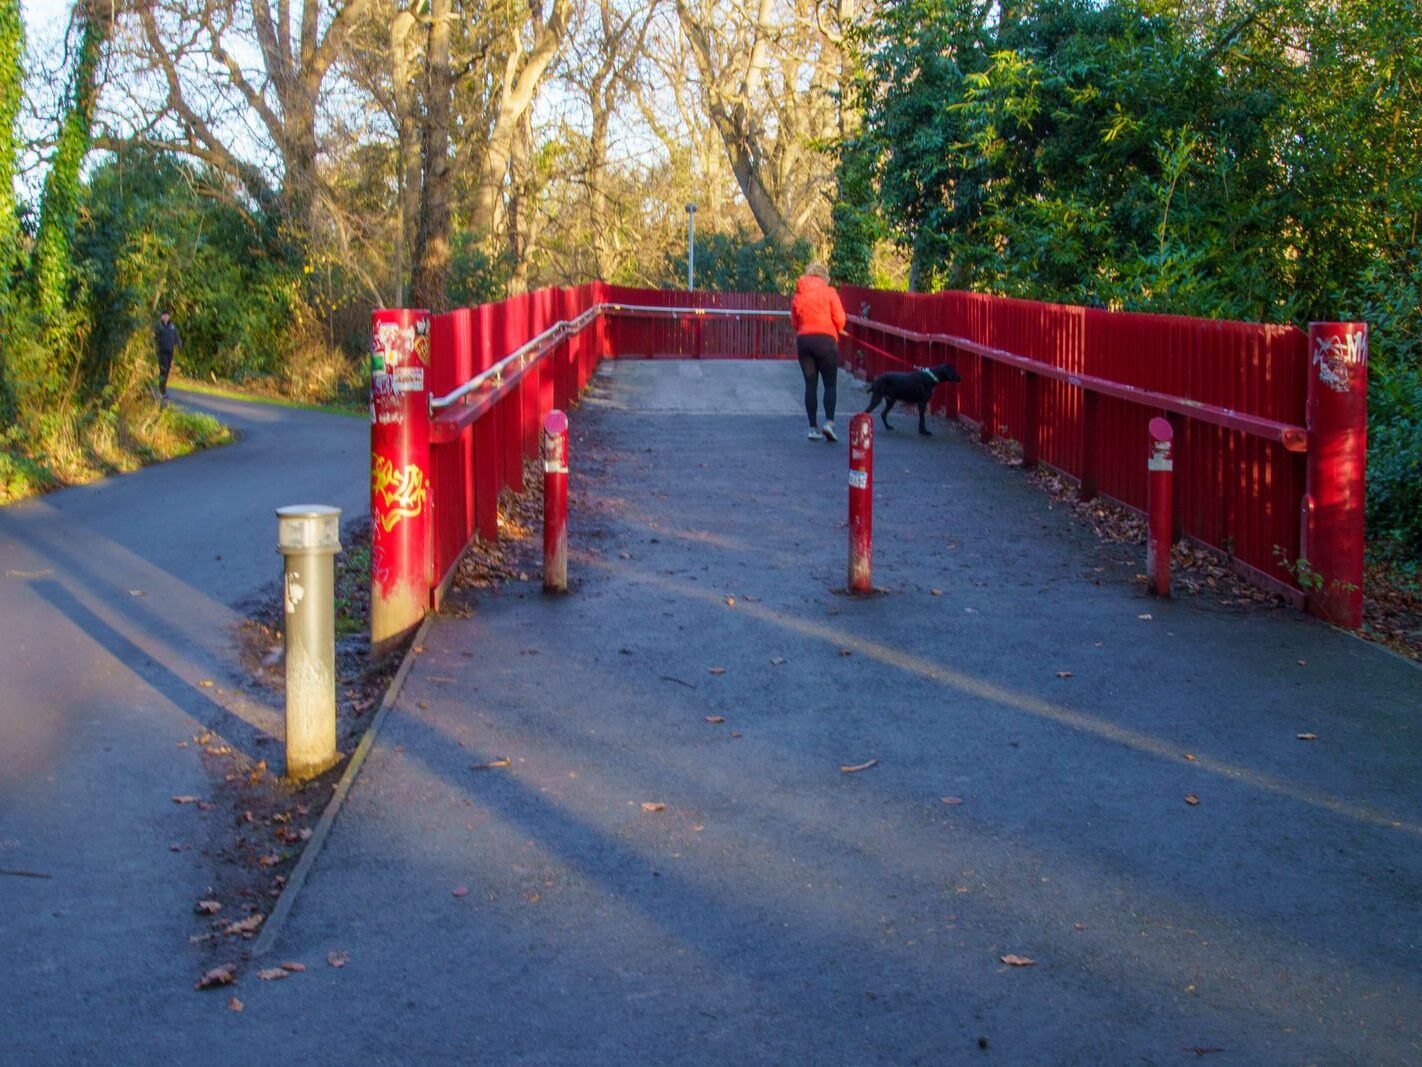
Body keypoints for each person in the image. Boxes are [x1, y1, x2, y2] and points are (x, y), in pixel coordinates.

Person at [790, 262, 847, 442]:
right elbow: (840, 318)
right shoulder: (830, 292)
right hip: (826, 341)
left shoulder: (799, 295)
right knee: (830, 385)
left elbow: (794, 321)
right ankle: (829, 424)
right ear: (824, 276)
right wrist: (837, 328)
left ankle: (812, 428)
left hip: (805, 341)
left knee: (810, 385)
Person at [154, 309, 180, 402]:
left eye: (167, 315)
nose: (165, 317)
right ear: (161, 316)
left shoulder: (172, 326)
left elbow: (176, 336)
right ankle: (162, 390)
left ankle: (163, 388)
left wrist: (179, 344)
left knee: (167, 369)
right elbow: (154, 337)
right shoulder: (159, 326)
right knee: (163, 369)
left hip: (170, 351)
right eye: (164, 315)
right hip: (162, 351)